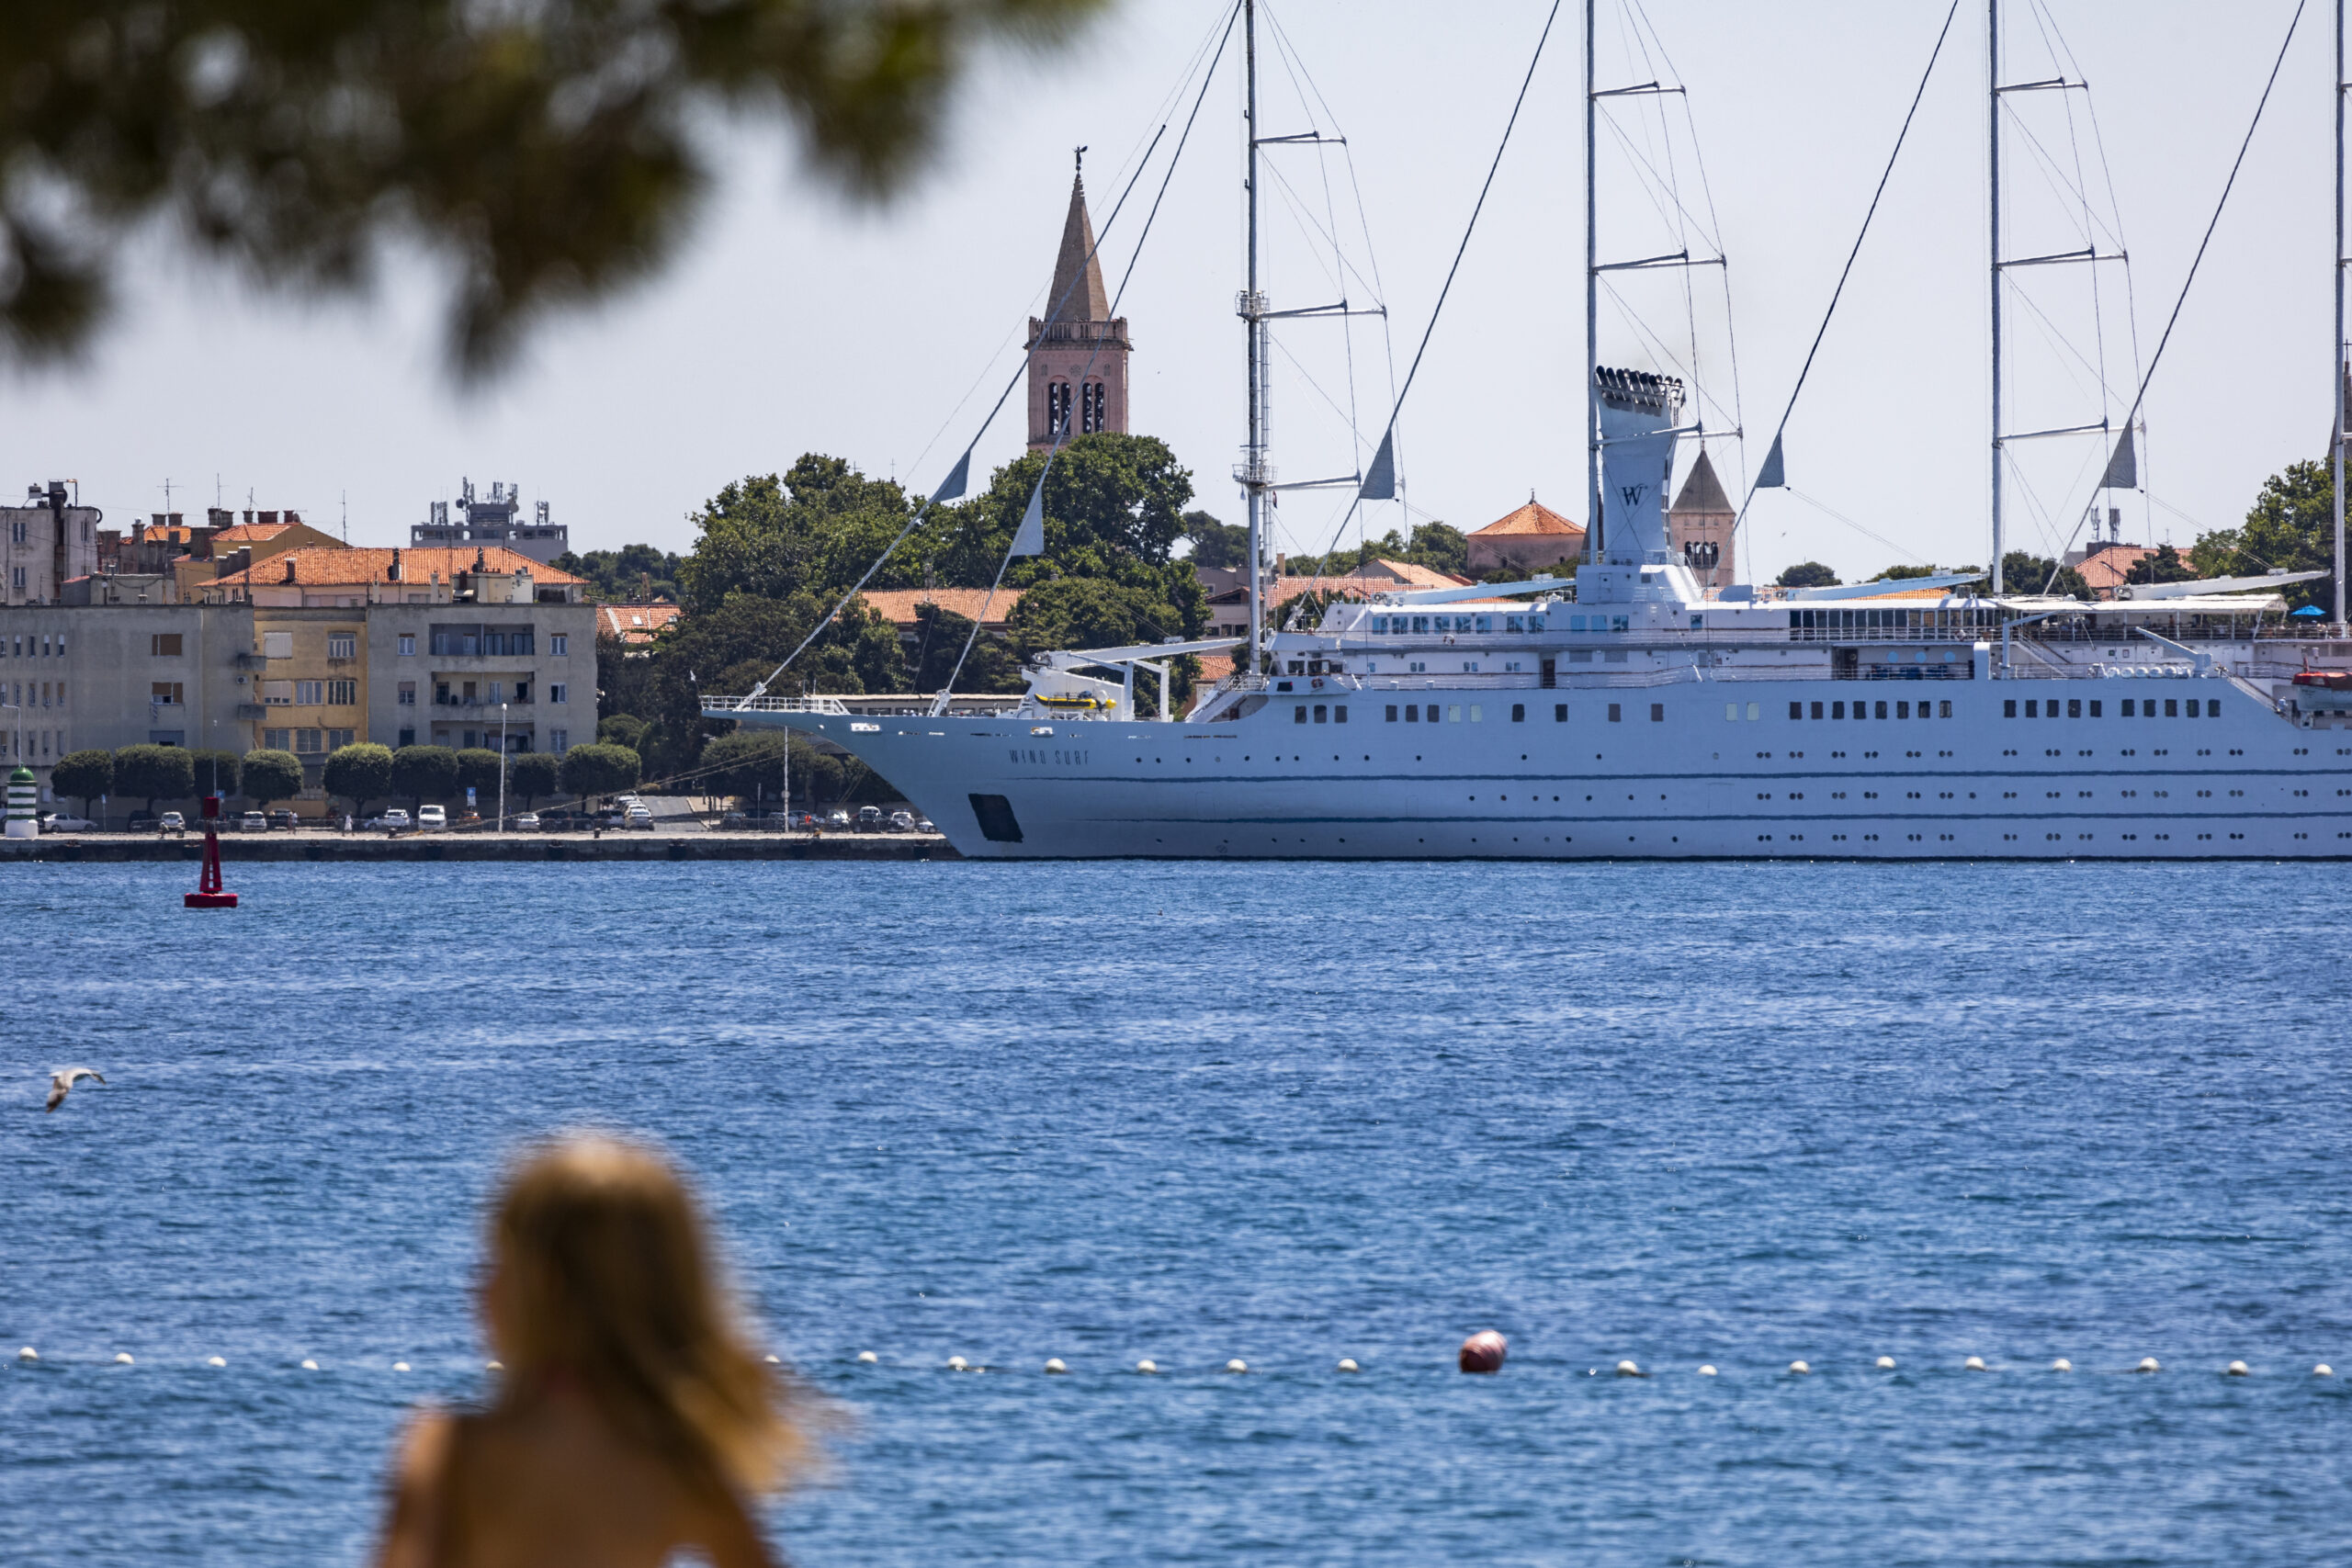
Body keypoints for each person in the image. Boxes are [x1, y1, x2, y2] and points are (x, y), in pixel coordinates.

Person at [372, 1135, 810, 1568]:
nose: (479, 1286)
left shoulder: (453, 1452)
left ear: (543, 1284)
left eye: (498, 1263)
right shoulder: (680, 1461)